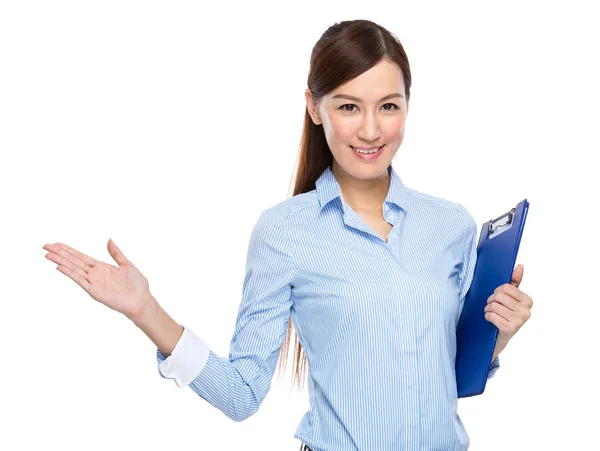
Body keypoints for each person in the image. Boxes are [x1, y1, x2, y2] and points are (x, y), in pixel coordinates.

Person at [42, 19, 534, 451]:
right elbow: (241, 394)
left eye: (388, 105)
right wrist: (146, 312)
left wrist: (498, 335)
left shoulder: (450, 225)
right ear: (315, 108)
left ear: (408, 105)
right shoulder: (284, 232)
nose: (369, 130)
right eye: (347, 107)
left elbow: (448, 378)